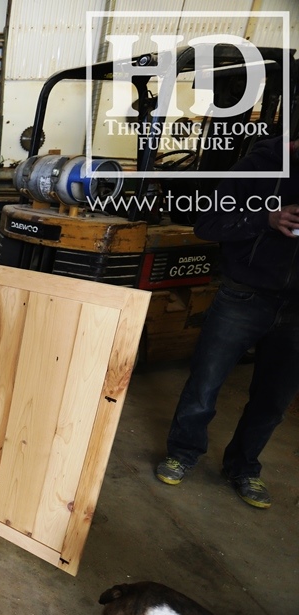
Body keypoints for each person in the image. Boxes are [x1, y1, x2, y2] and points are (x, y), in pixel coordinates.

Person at [155, 132, 299, 508]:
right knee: (206, 382)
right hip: (245, 296)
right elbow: (208, 224)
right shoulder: (258, 168)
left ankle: (244, 467)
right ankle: (183, 453)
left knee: (273, 400)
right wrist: (266, 219)